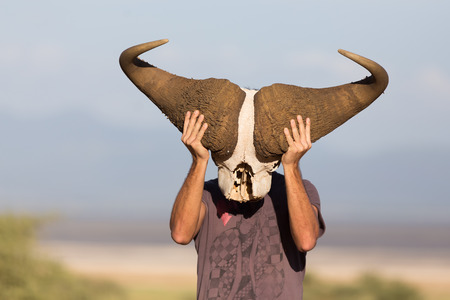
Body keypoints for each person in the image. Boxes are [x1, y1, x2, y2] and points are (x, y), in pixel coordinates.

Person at [170, 110, 325, 299]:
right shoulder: (208, 193)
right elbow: (181, 233)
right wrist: (199, 161)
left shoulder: (298, 191)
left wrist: (291, 166)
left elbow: (306, 240)